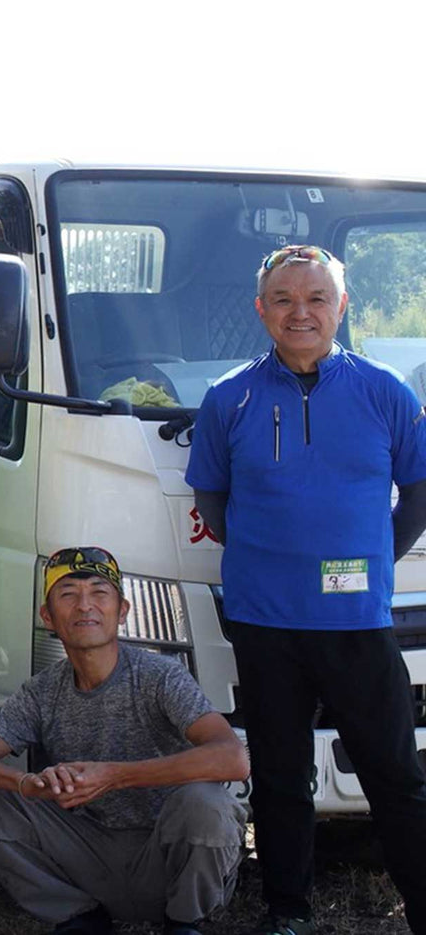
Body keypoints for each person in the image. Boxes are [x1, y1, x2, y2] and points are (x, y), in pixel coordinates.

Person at [186, 244, 426, 935]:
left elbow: (417, 492)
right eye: (284, 299)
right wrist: (276, 561)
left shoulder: (385, 390)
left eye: (317, 298)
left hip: (357, 623)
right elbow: (213, 497)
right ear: (261, 310)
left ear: (341, 307)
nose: (302, 312)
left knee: (395, 776)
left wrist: (376, 556)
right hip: (267, 625)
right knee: (283, 781)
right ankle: (287, 912)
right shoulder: (229, 397)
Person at [0, 547, 249, 935]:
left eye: (99, 593)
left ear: (122, 611)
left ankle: (187, 921)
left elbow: (232, 758)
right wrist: (27, 784)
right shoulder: (41, 691)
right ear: (48, 616)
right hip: (88, 855)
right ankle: (77, 917)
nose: (85, 606)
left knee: (207, 803)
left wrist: (115, 776)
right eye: (68, 595)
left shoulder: (161, 676)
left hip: (166, 852)